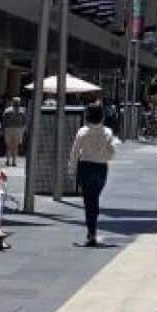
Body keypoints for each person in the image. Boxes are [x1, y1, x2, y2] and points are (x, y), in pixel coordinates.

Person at [69, 103, 115, 247]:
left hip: (86, 167)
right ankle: (92, 230)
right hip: (101, 168)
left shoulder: (82, 132)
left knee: (89, 200)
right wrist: (104, 156)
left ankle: (91, 233)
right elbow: (111, 152)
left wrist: (71, 169)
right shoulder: (108, 132)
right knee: (94, 198)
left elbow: (75, 151)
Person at [1, 97, 26, 167]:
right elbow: (24, 122)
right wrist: (23, 130)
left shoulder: (7, 111)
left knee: (8, 146)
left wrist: (2, 129)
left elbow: (4, 121)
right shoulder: (22, 111)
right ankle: (14, 161)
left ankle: (8, 161)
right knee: (15, 146)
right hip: (18, 130)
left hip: (8, 129)